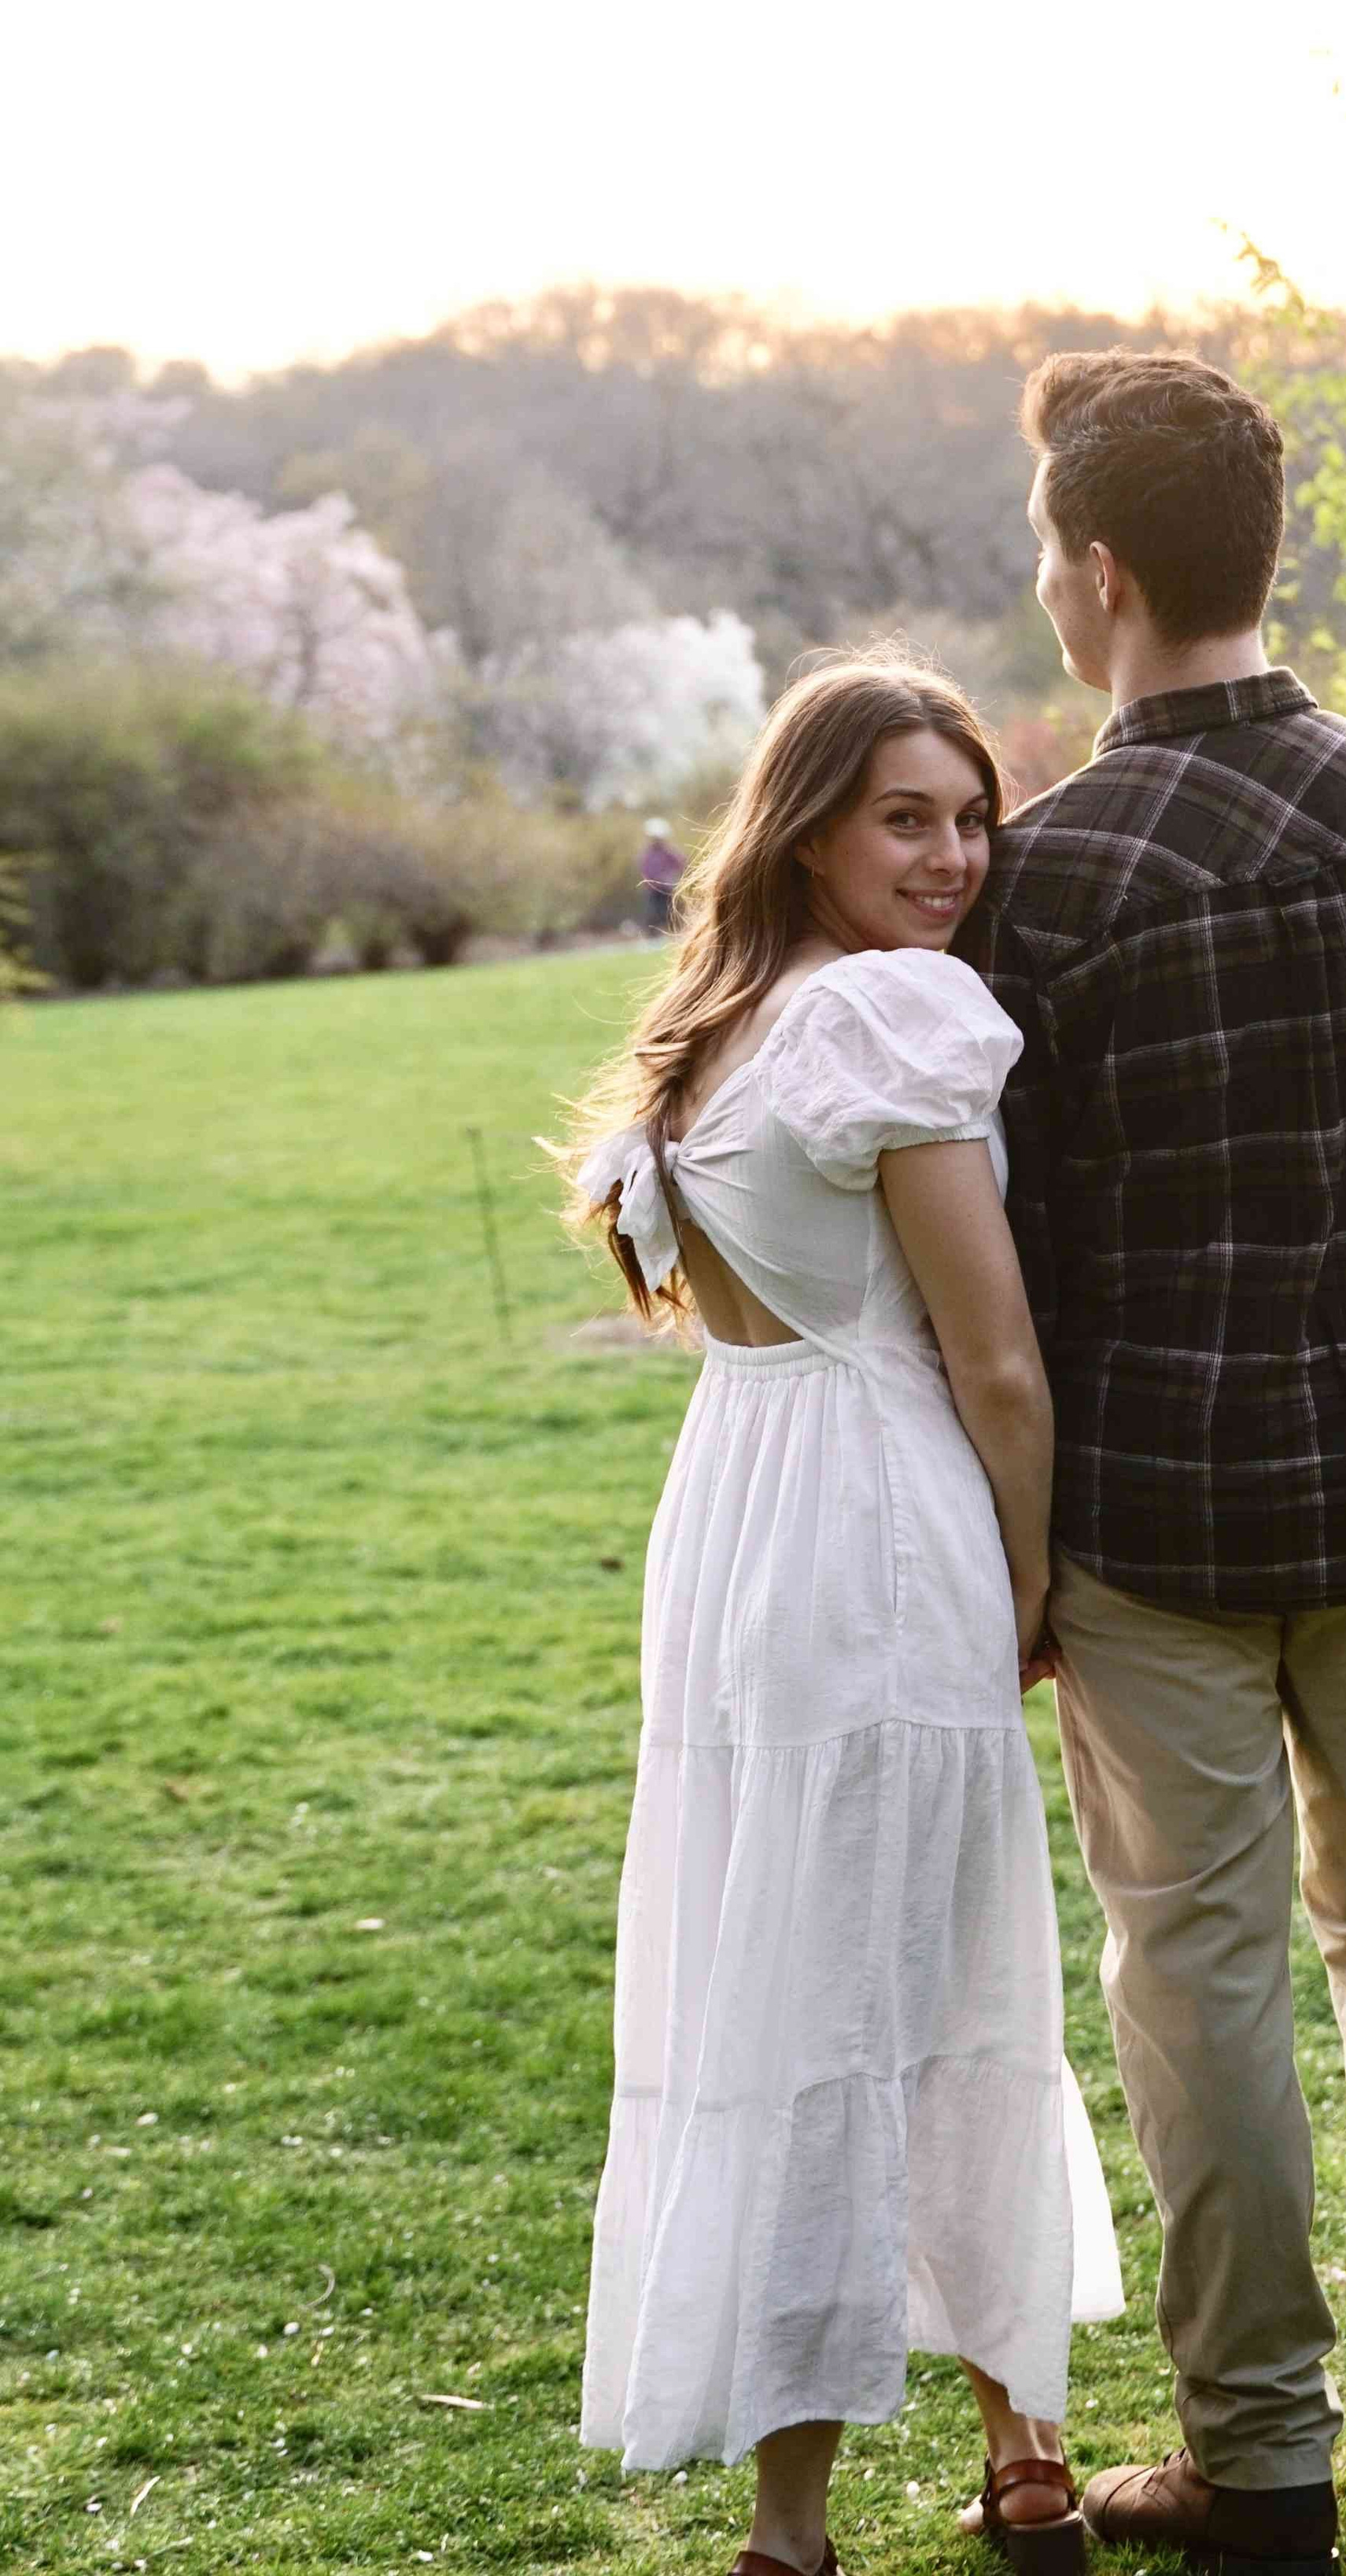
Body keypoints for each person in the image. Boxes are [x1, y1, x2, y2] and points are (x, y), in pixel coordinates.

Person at [957, 351, 1346, 2571]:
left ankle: (1259, 2457)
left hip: (1162, 1534)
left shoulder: (1052, 876)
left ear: (1100, 573)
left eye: (1049, 550)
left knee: (1194, 1970)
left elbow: (1013, 1256)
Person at [556, 658, 1121, 2576]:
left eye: (970, 816)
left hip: (739, 1523)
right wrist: (1029, 1581)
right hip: (882, 1524)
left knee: (806, 1973)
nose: (952, 855)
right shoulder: (890, 1014)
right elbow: (998, 1362)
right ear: (803, 820)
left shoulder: (705, 1033)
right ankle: (947, 2471)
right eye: (905, 815)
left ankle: (886, 2490)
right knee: (931, 1976)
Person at [638, 817, 686, 936]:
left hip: (667, 888)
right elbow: (645, 870)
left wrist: (671, 876)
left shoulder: (668, 851)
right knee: (654, 913)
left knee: (670, 912)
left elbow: (681, 862)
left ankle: (675, 932)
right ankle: (653, 935)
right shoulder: (648, 854)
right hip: (653, 889)